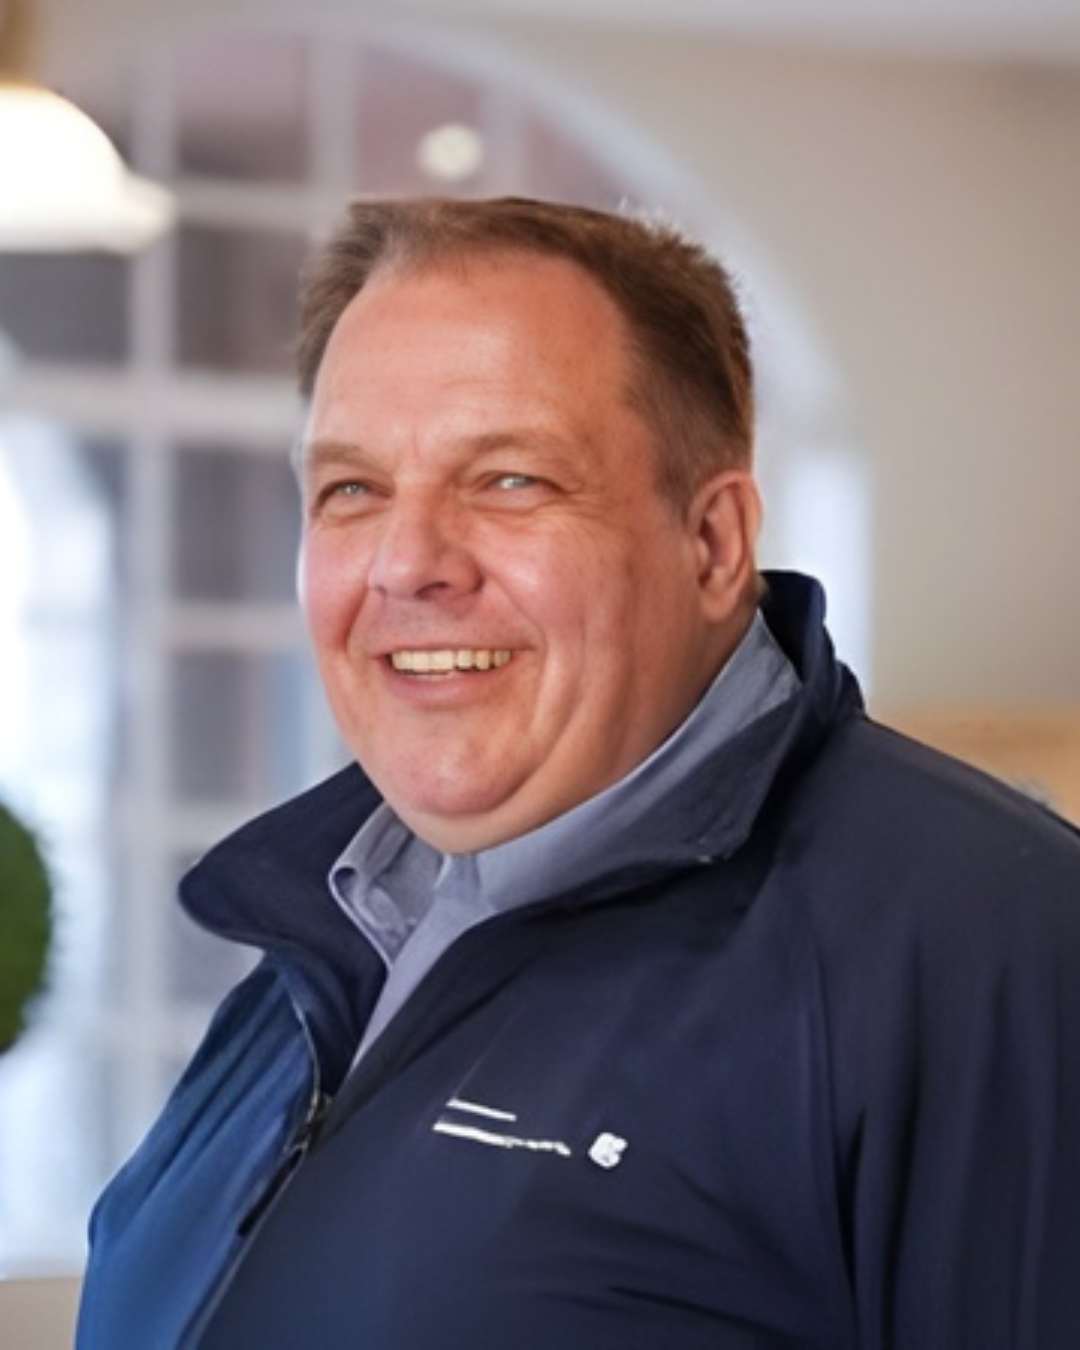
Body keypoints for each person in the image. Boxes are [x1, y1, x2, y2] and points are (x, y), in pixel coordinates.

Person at [77, 197, 1080, 1349]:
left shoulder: (988, 947)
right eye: (352, 489)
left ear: (711, 544)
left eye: (510, 480)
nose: (408, 563)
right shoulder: (322, 946)